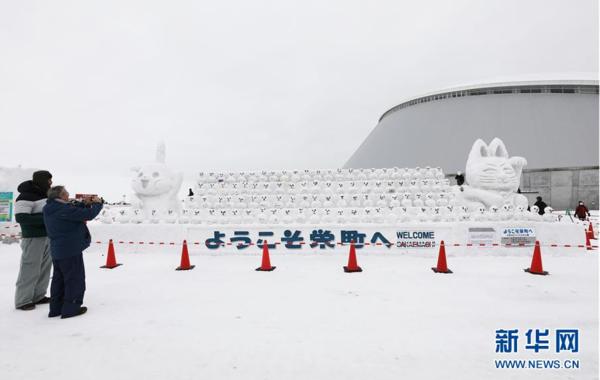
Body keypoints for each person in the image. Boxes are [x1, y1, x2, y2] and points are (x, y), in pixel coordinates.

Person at [43, 186, 103, 319]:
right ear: (60, 196)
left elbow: (73, 211)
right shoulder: (62, 209)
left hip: (58, 249)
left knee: (59, 280)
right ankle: (71, 308)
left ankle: (56, 308)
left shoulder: (50, 207)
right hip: (69, 250)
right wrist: (98, 204)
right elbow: (88, 215)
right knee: (74, 279)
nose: (68, 195)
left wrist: (84, 204)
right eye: (66, 193)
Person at [14, 170, 54, 311]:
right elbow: (22, 218)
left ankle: (38, 295)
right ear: (42, 180)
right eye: (49, 180)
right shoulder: (25, 196)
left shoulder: (44, 195)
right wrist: (47, 218)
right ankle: (23, 300)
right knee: (30, 268)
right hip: (33, 238)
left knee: (44, 268)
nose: (51, 183)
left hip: (47, 236)